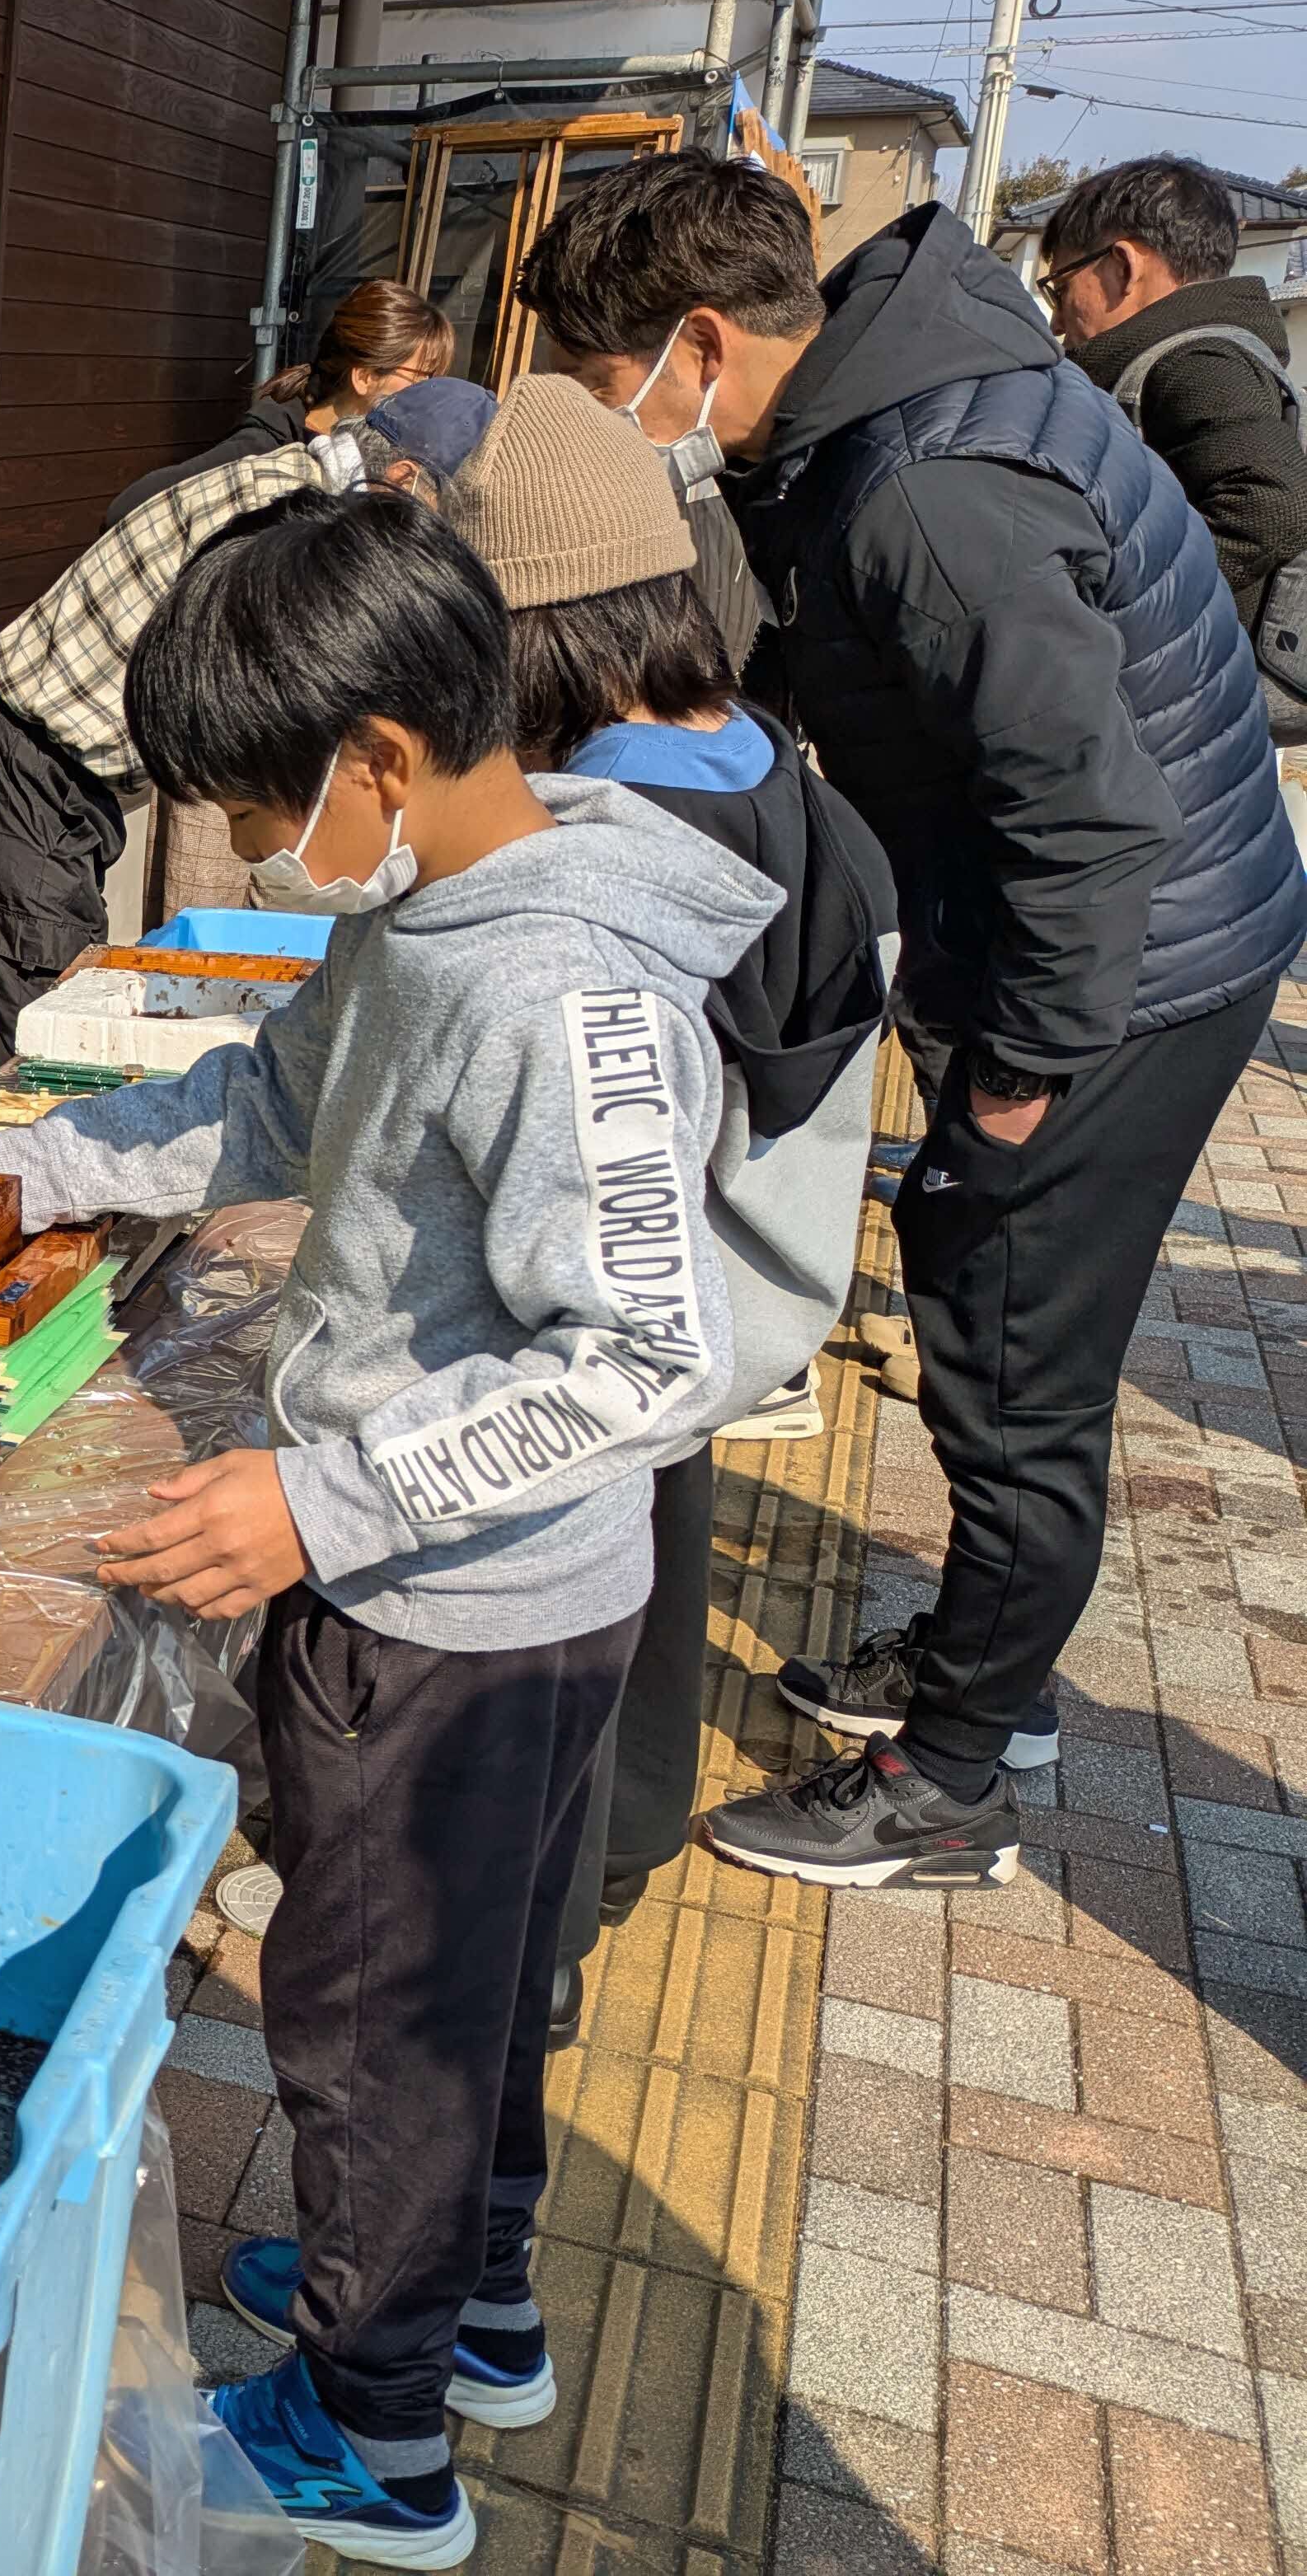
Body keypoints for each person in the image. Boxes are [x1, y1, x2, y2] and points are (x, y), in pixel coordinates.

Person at [0, 487, 771, 2564]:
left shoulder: (565, 993)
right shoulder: (422, 912)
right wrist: (38, 1167)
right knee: (463, 1989)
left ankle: (372, 2440)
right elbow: (266, 1107)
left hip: (460, 1608)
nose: (248, 855)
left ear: (375, 760)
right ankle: (460, 2308)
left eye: (251, 812)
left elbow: (653, 1357)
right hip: (451, 1581)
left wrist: (320, 1498)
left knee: (367, 2018)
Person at [519, 154, 1307, 1889]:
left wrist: (1021, 1069)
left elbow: (1082, 817)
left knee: (1006, 1343)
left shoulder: (928, 485)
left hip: (1130, 961)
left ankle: (954, 1773)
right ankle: (979, 1659)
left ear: (698, 340)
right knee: (988, 1305)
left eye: (605, 383)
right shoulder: (876, 393)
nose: (613, 420)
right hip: (1091, 925)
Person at [449, 377, 896, 2032]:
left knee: (545, 1622)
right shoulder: (760, 759)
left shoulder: (619, 837)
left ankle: (528, 1957)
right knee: (652, 1554)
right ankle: (624, 1837)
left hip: (604, 1313)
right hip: (728, 1283)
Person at [0, 379, 496, 1060]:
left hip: (66, 767)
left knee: (62, 1009)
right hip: (28, 761)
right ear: (404, 478)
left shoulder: (295, 480)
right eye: (443, 514)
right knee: (45, 1041)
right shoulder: (290, 516)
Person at [1035, 157, 1307, 705]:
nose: (1058, 322)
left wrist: (1115, 603)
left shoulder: (1195, 361)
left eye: (1060, 289)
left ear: (1123, 265)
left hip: (1192, 685)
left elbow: (1270, 504)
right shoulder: (1196, 353)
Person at [107, 279, 454, 520]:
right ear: (364, 377)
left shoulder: (376, 457)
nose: (434, 393)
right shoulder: (265, 446)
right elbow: (129, 508)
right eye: (424, 378)